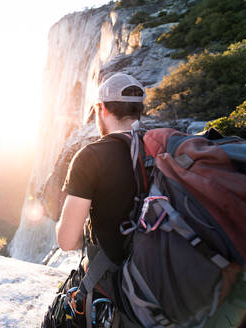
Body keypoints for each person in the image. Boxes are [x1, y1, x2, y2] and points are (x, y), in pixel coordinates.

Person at [56, 73, 145, 326]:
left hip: (113, 290)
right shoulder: (157, 149)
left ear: (101, 109)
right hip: (156, 281)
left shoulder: (91, 156)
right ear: (139, 111)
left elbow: (67, 241)